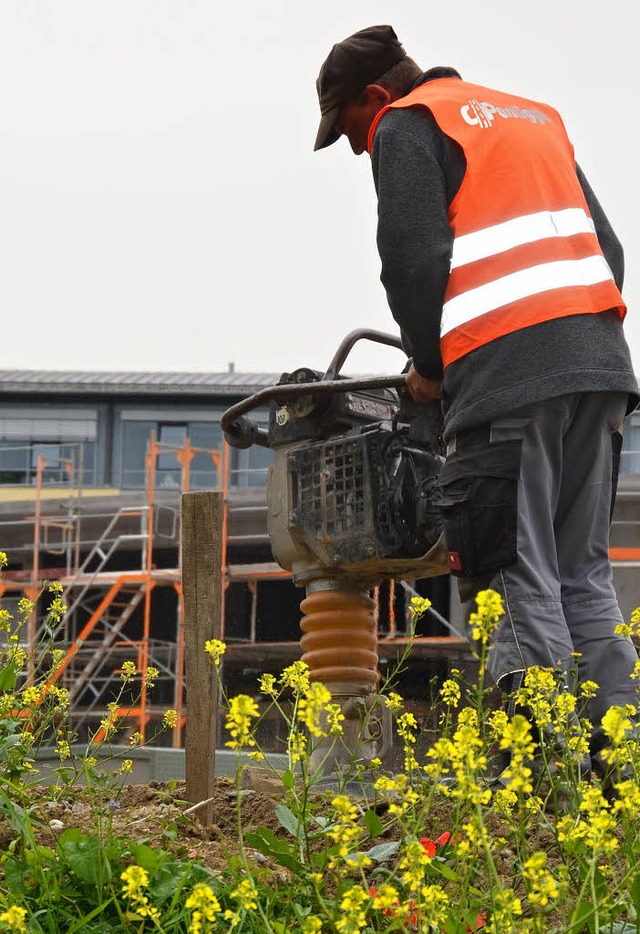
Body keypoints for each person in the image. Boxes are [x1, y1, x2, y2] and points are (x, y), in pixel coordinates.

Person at [314, 24, 639, 776]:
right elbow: (610, 250)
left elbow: (413, 255)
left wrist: (430, 364)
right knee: (582, 577)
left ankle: (545, 777)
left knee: (515, 573)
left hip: (507, 384)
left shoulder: (408, 122)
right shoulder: (532, 116)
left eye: (351, 130)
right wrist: (573, 345)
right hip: (600, 371)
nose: (360, 149)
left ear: (376, 95)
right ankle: (620, 777)